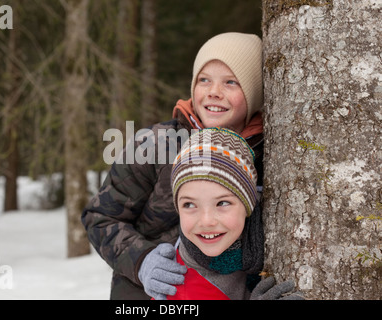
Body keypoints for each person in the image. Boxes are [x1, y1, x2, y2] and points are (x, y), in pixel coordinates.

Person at [82, 32, 265, 299]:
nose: (214, 92)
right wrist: (141, 261)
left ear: (254, 92)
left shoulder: (268, 154)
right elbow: (100, 217)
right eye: (204, 80)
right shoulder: (155, 145)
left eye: (230, 82)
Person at [141, 127, 301, 300]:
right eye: (189, 204)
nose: (206, 221)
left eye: (222, 203)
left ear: (248, 205)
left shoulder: (261, 243)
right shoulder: (178, 285)